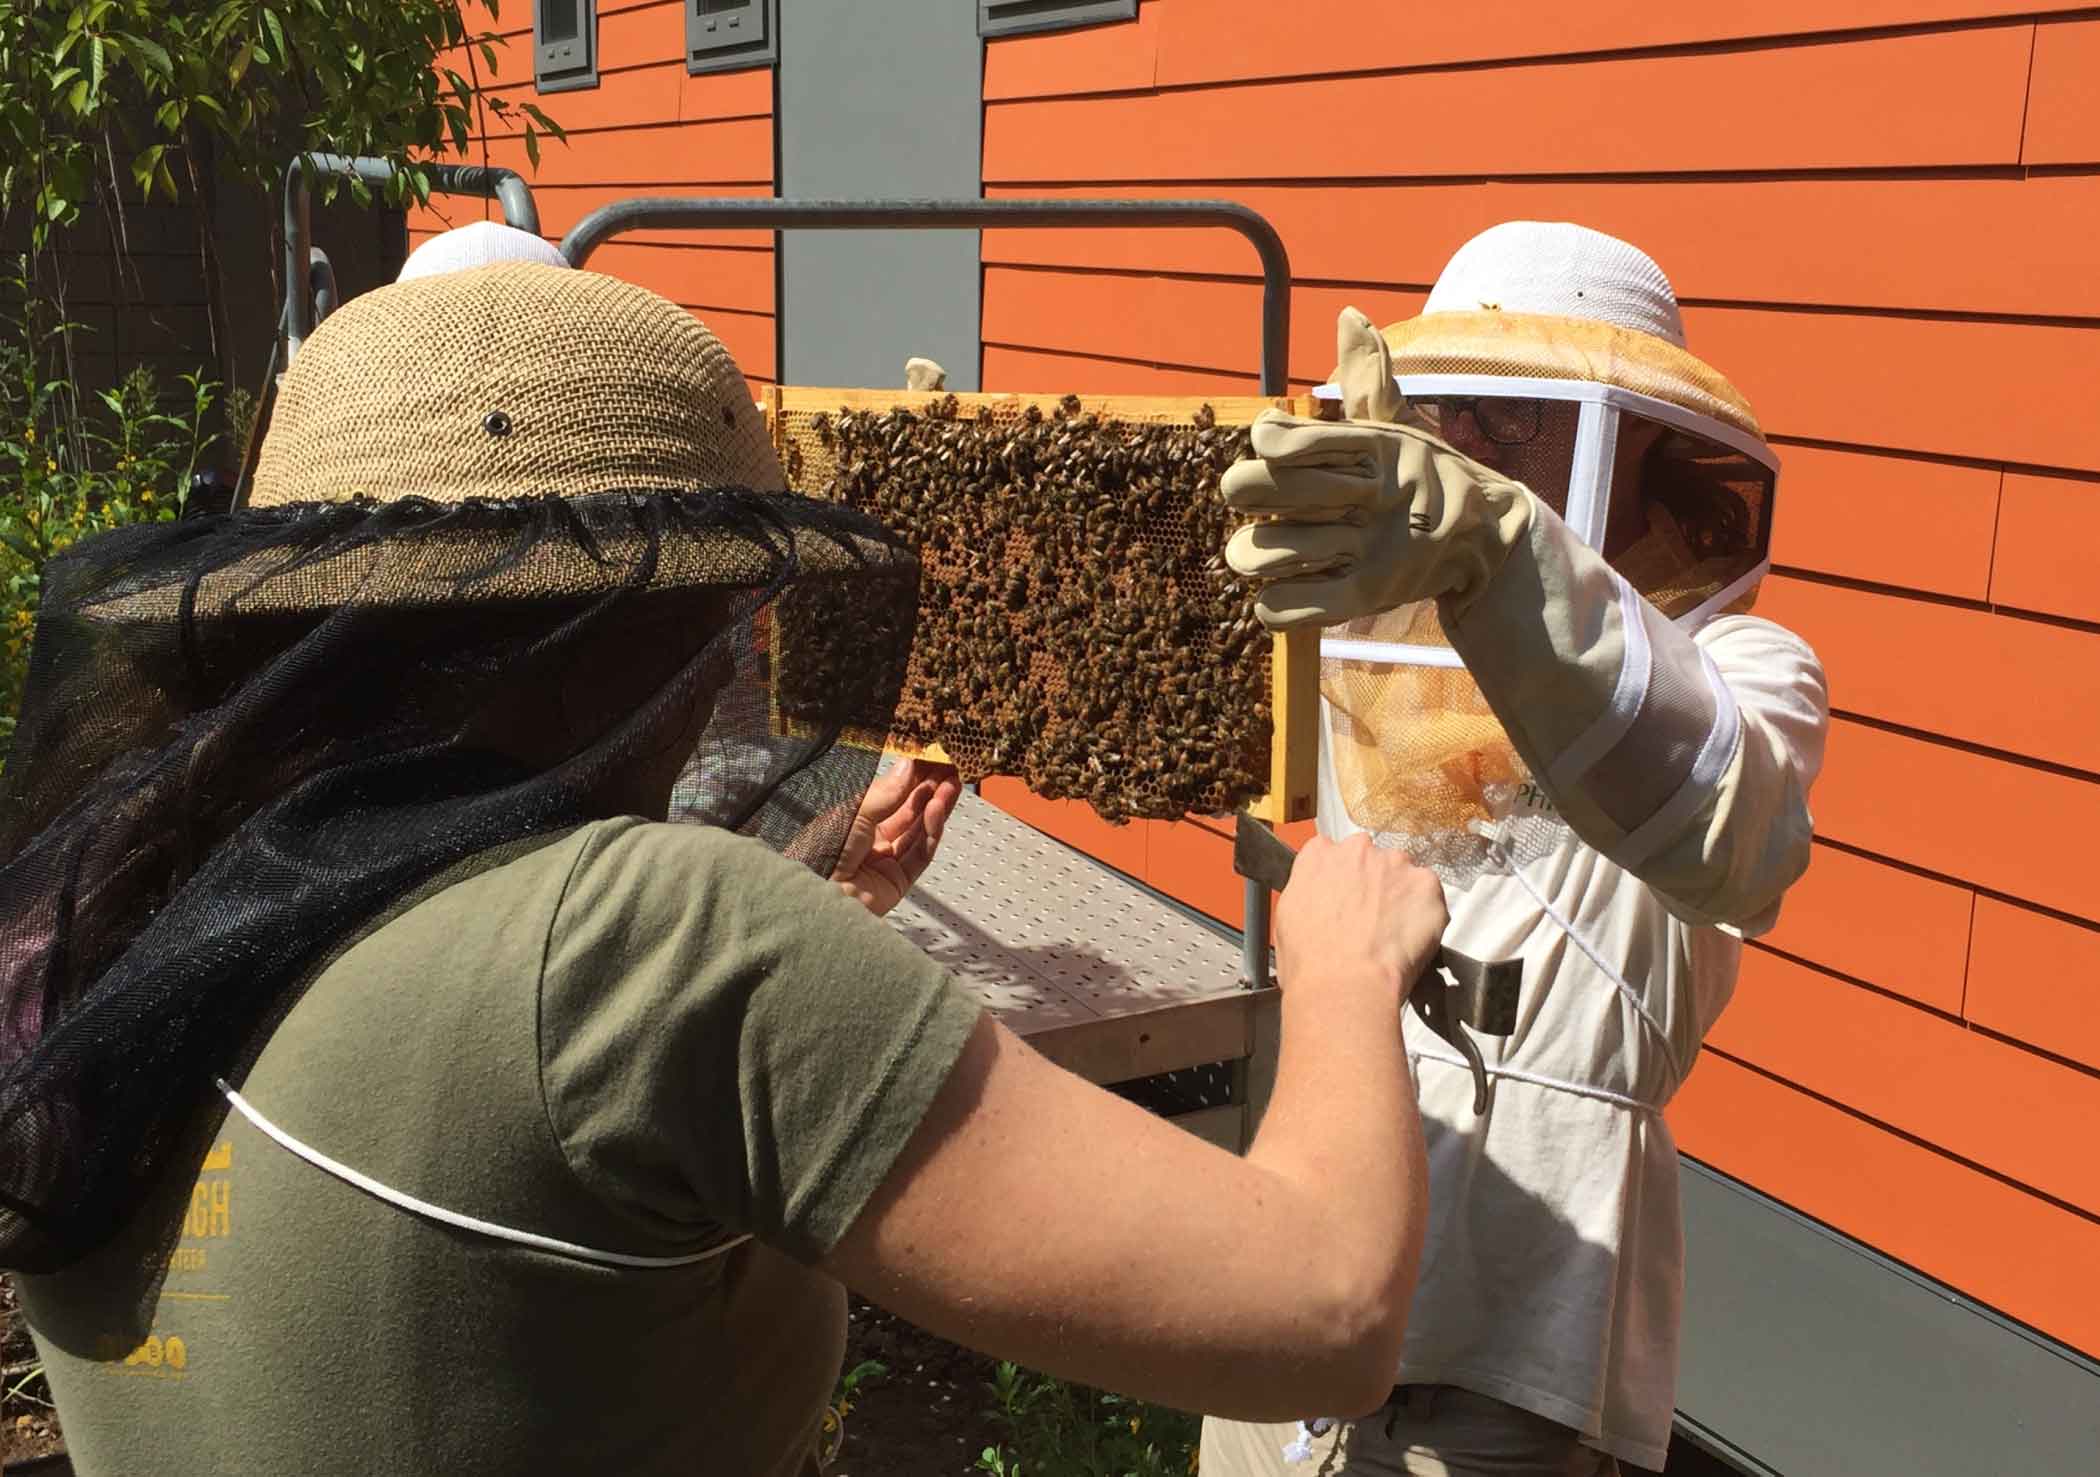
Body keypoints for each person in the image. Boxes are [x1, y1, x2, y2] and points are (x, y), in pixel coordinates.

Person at [2, 260, 1449, 1477]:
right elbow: (1322, 1306)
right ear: (644, 616)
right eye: (733, 614)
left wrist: (827, 918)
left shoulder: (138, 902)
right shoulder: (661, 937)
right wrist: (1340, 963)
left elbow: (481, 1142)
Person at [1202, 223, 1830, 1476]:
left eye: (1510, 416)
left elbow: (1725, 829)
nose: (1470, 445)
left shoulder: (1746, 672)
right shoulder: (1369, 618)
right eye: (1456, 411)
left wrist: (1498, 553)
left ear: (1635, 437)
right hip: (1283, 1276)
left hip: (1508, 1348)